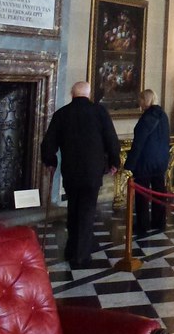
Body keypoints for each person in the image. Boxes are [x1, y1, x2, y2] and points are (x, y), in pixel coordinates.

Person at [40, 80, 120, 269]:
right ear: (89, 93)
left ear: (71, 93)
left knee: (74, 208)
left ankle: (71, 248)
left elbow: (48, 142)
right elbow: (111, 139)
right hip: (92, 171)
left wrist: (50, 161)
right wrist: (115, 162)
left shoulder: (62, 114)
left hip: (71, 170)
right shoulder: (99, 112)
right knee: (86, 211)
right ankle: (80, 255)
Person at [124, 88, 171, 237]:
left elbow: (138, 143)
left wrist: (129, 165)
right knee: (159, 192)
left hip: (145, 161)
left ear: (145, 100)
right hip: (161, 160)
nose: (139, 103)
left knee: (142, 194)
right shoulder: (163, 115)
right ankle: (159, 221)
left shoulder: (146, 118)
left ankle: (143, 223)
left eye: (141, 100)